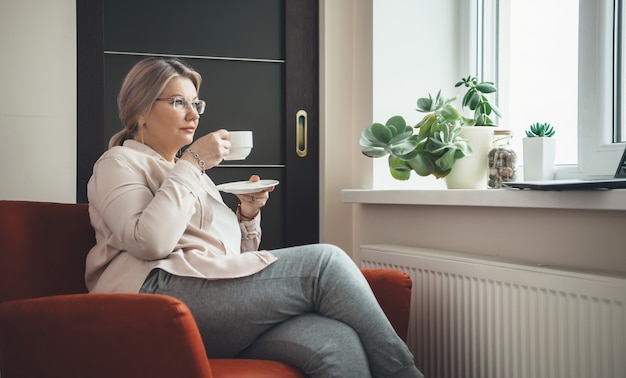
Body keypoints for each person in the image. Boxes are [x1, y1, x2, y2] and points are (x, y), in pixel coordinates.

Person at [85, 57, 423, 378]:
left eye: (196, 103)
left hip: (205, 298)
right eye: (178, 102)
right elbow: (151, 242)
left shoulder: (190, 175)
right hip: (152, 298)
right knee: (325, 263)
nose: (193, 114)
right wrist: (193, 162)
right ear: (142, 110)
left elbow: (227, 263)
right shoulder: (118, 163)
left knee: (334, 340)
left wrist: (247, 217)